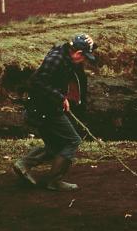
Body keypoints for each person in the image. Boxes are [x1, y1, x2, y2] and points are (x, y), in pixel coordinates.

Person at [13, 34, 98, 191]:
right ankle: (54, 181)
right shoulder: (56, 59)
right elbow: (37, 82)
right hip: (45, 109)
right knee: (73, 141)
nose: (84, 61)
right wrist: (60, 97)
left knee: (55, 146)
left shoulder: (66, 56)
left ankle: (24, 164)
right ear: (78, 53)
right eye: (84, 57)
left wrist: (92, 43)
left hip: (46, 107)